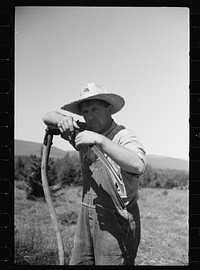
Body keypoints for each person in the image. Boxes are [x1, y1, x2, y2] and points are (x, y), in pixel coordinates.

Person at [42, 83, 146, 265]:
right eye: (85, 112)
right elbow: (47, 116)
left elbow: (138, 165)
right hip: (87, 213)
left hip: (117, 218)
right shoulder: (83, 131)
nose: (90, 116)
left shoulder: (122, 135)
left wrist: (100, 140)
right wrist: (63, 119)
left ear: (109, 109)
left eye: (95, 109)